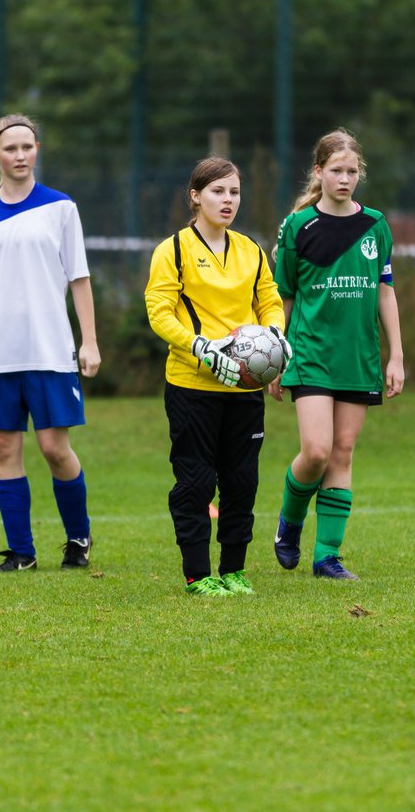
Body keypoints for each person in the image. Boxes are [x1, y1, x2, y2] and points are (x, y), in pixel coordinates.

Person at [0, 113, 101, 572]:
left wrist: (89, 342)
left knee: (54, 448)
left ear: (37, 149)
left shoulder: (61, 208)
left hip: (49, 349)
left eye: (28, 146)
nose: (20, 155)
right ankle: (22, 552)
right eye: (11, 148)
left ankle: (78, 539)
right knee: (4, 450)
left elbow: (79, 279)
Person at [144, 157, 290, 596]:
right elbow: (159, 312)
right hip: (193, 384)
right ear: (195, 196)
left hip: (244, 387)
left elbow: (270, 302)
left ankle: (233, 570)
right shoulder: (172, 251)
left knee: (242, 480)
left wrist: (275, 337)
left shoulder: (251, 250)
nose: (228, 201)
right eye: (218, 192)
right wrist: (199, 346)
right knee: (195, 481)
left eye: (234, 193)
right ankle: (197, 575)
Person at [270, 128, 405, 581]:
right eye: (336, 171)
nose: (344, 179)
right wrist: (276, 354)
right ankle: (289, 522)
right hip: (308, 352)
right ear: (319, 172)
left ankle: (327, 556)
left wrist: (396, 355)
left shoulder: (376, 226)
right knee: (315, 451)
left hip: (359, 355)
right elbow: (284, 297)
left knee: (342, 452)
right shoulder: (298, 227)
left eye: (352, 172)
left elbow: (385, 292)